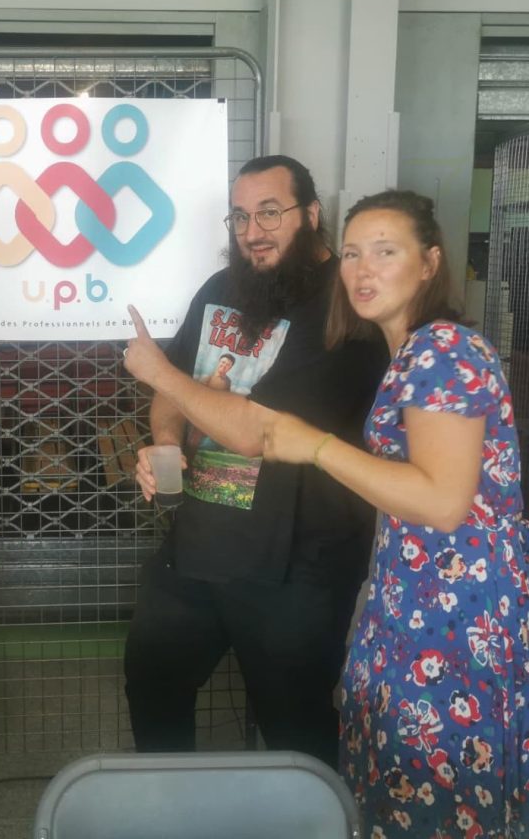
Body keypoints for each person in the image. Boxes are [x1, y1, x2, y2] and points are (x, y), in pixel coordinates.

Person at [262, 190, 529, 836]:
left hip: (449, 621)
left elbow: (440, 501)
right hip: (426, 606)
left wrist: (316, 446)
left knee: (433, 799)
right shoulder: (414, 353)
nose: (361, 269)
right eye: (351, 253)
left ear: (429, 262)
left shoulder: (441, 351)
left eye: (385, 251)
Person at [122, 154, 387, 767]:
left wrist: (158, 369)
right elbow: (175, 392)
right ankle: (170, 812)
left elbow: (255, 435)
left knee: (294, 726)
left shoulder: (346, 310)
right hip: (199, 545)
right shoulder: (222, 289)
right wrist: (165, 444)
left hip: (299, 564)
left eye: (270, 212)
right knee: (153, 684)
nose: (252, 231)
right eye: (240, 216)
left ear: (311, 214)